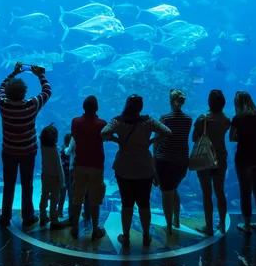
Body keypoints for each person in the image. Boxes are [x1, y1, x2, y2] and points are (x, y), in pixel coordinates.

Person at [101, 94, 171, 248]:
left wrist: (117, 140)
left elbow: (103, 133)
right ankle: (146, 236)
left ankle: (126, 237)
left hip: (124, 168)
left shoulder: (118, 121)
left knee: (127, 204)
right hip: (145, 167)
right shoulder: (148, 121)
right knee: (144, 204)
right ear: (141, 107)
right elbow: (167, 132)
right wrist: (151, 141)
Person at [0, 62, 52, 228]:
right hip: (28, 151)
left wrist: (14, 72)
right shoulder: (31, 105)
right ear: (24, 93)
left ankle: (5, 216)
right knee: (27, 184)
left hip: (9, 151)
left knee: (8, 184)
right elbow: (47, 91)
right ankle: (28, 216)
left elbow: (1, 87)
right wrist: (40, 75)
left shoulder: (3, 104)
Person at [154, 89, 192, 235]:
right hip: (182, 161)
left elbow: (157, 141)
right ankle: (177, 220)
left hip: (165, 161)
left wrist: (154, 159)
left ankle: (168, 226)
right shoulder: (188, 119)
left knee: (166, 193)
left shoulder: (165, 118)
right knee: (174, 189)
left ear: (170, 101)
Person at [194, 89, 231, 235]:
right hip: (220, 158)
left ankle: (209, 226)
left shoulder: (203, 118)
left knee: (206, 193)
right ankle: (221, 224)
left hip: (204, 159)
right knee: (220, 191)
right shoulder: (227, 120)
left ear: (209, 102)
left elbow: (194, 137)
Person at [69, 95, 107, 241]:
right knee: (95, 199)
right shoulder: (102, 123)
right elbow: (105, 137)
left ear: (83, 107)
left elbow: (74, 135)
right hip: (96, 165)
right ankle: (95, 230)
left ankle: (74, 228)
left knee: (77, 197)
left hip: (79, 164)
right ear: (97, 108)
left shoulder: (75, 122)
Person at [230, 91, 256, 235]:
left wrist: (242, 136)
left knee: (245, 191)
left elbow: (232, 138)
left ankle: (246, 225)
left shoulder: (237, 118)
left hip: (244, 156)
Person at [38, 123, 66, 229]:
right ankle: (54, 220)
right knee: (54, 200)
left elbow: (44, 135)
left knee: (44, 196)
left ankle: (43, 217)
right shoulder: (55, 150)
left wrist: (47, 128)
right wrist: (62, 182)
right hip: (55, 178)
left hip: (45, 175)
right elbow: (59, 167)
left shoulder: (43, 146)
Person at [57, 133, 72, 218]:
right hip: (70, 176)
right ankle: (71, 212)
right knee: (71, 195)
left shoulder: (62, 151)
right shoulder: (72, 151)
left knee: (62, 195)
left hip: (63, 176)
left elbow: (60, 164)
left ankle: (59, 212)